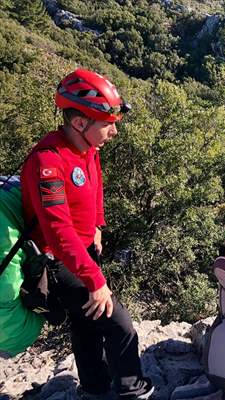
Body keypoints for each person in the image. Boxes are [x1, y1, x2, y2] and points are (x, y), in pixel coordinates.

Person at [21, 68, 154, 400]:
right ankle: (131, 391)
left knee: (85, 323)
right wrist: (95, 280)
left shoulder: (87, 149)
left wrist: (96, 224)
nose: (114, 131)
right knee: (118, 323)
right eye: (108, 124)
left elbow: (95, 185)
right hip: (58, 258)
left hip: (82, 251)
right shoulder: (48, 161)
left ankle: (94, 388)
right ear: (80, 123)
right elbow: (57, 230)